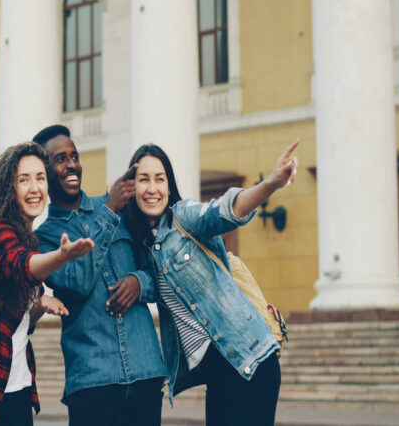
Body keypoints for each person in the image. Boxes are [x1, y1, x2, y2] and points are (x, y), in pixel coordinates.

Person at [123, 140, 300, 426]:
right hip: (220, 373)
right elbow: (152, 281)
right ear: (132, 187)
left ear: (169, 186)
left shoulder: (185, 218)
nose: (152, 188)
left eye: (159, 179)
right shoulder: (143, 245)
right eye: (143, 180)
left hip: (250, 360)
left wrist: (271, 183)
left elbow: (226, 211)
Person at [0, 142, 94, 425]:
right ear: (8, 188)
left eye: (40, 178)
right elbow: (20, 264)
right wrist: (61, 256)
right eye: (23, 180)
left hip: (15, 387)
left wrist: (40, 304)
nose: (34, 188)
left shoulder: (24, 237)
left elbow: (17, 321)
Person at [33, 125, 168, 426]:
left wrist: (139, 282)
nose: (72, 165)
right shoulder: (44, 240)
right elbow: (78, 283)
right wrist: (108, 211)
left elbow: (159, 273)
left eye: (74, 156)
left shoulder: (122, 210)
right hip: (92, 382)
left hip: (145, 371)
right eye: (60, 159)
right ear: (44, 173)